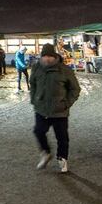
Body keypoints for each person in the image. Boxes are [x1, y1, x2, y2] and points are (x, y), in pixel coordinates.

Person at [30, 43, 81, 173]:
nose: (47, 59)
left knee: (62, 137)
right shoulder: (36, 68)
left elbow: (75, 89)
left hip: (60, 111)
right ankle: (46, 153)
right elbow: (33, 84)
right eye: (44, 56)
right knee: (38, 131)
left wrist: (66, 103)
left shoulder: (64, 70)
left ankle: (62, 159)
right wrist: (34, 99)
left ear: (54, 56)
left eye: (49, 56)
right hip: (42, 109)